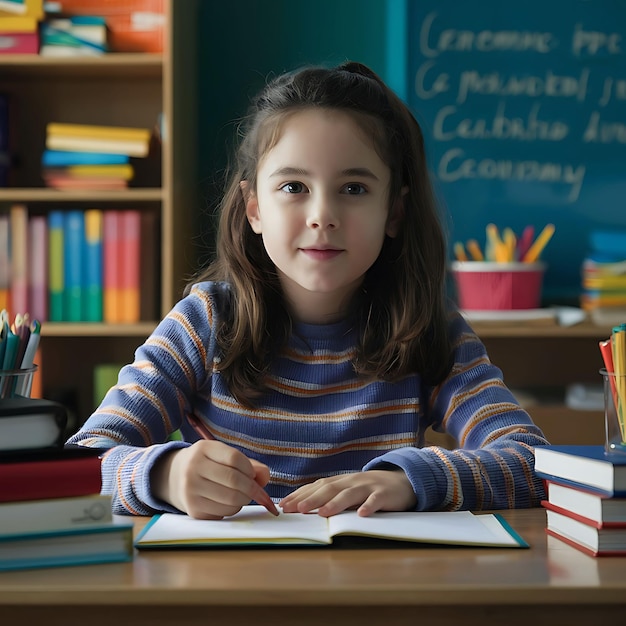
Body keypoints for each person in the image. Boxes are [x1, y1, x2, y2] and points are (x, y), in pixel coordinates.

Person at [68, 61, 549, 520]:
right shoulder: (204, 323)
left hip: (381, 592)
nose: (323, 215)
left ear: (395, 213)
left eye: (354, 188)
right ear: (254, 208)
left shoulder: (430, 330)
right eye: (294, 187)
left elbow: (536, 464)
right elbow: (79, 467)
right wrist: (166, 476)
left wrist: (411, 481)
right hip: (229, 592)